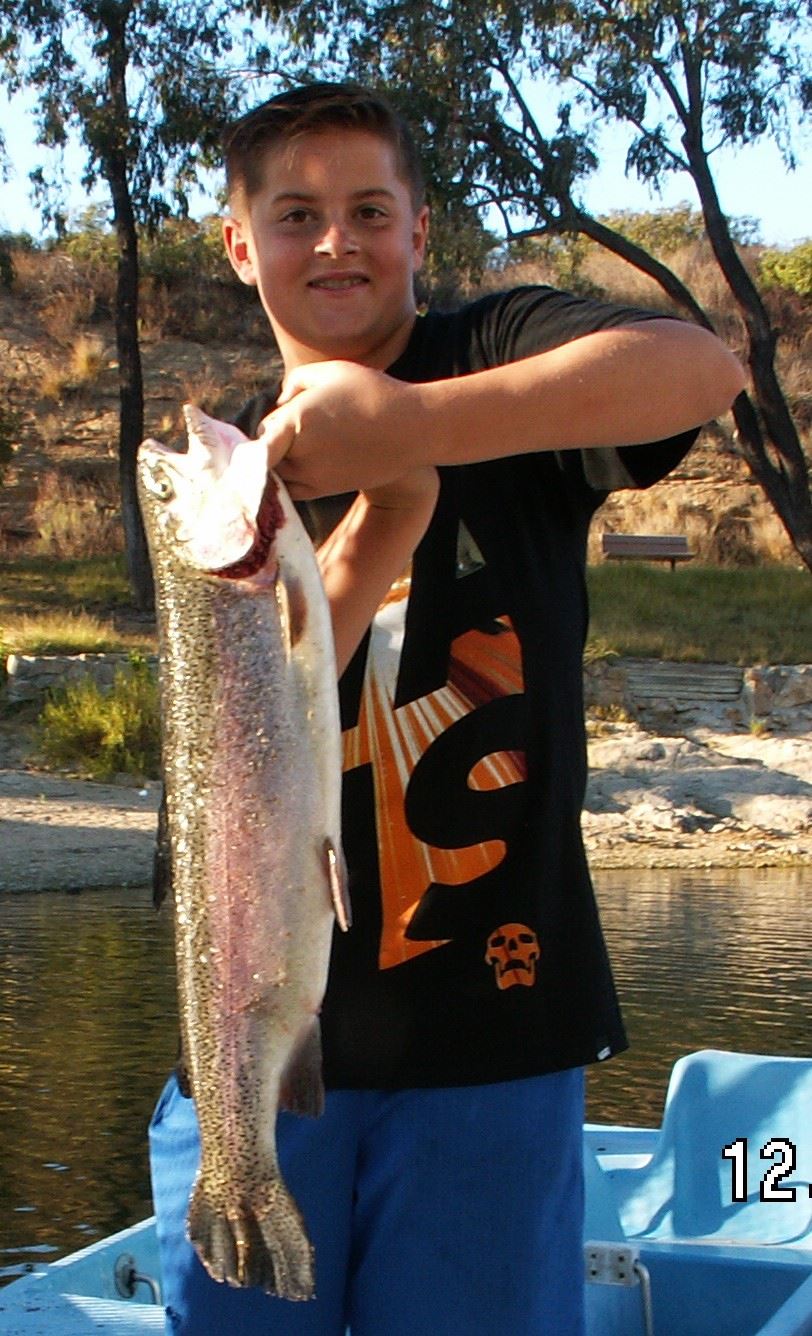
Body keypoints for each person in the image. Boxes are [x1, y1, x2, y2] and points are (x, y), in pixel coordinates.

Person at [148, 82, 746, 1335]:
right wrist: (383, 516)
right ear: (238, 242)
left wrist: (417, 422)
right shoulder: (242, 477)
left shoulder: (496, 354)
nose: (336, 241)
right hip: (256, 1057)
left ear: (420, 229)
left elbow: (699, 369)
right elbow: (263, 721)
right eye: (296, 212)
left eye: (370, 208)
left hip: (495, 1046)